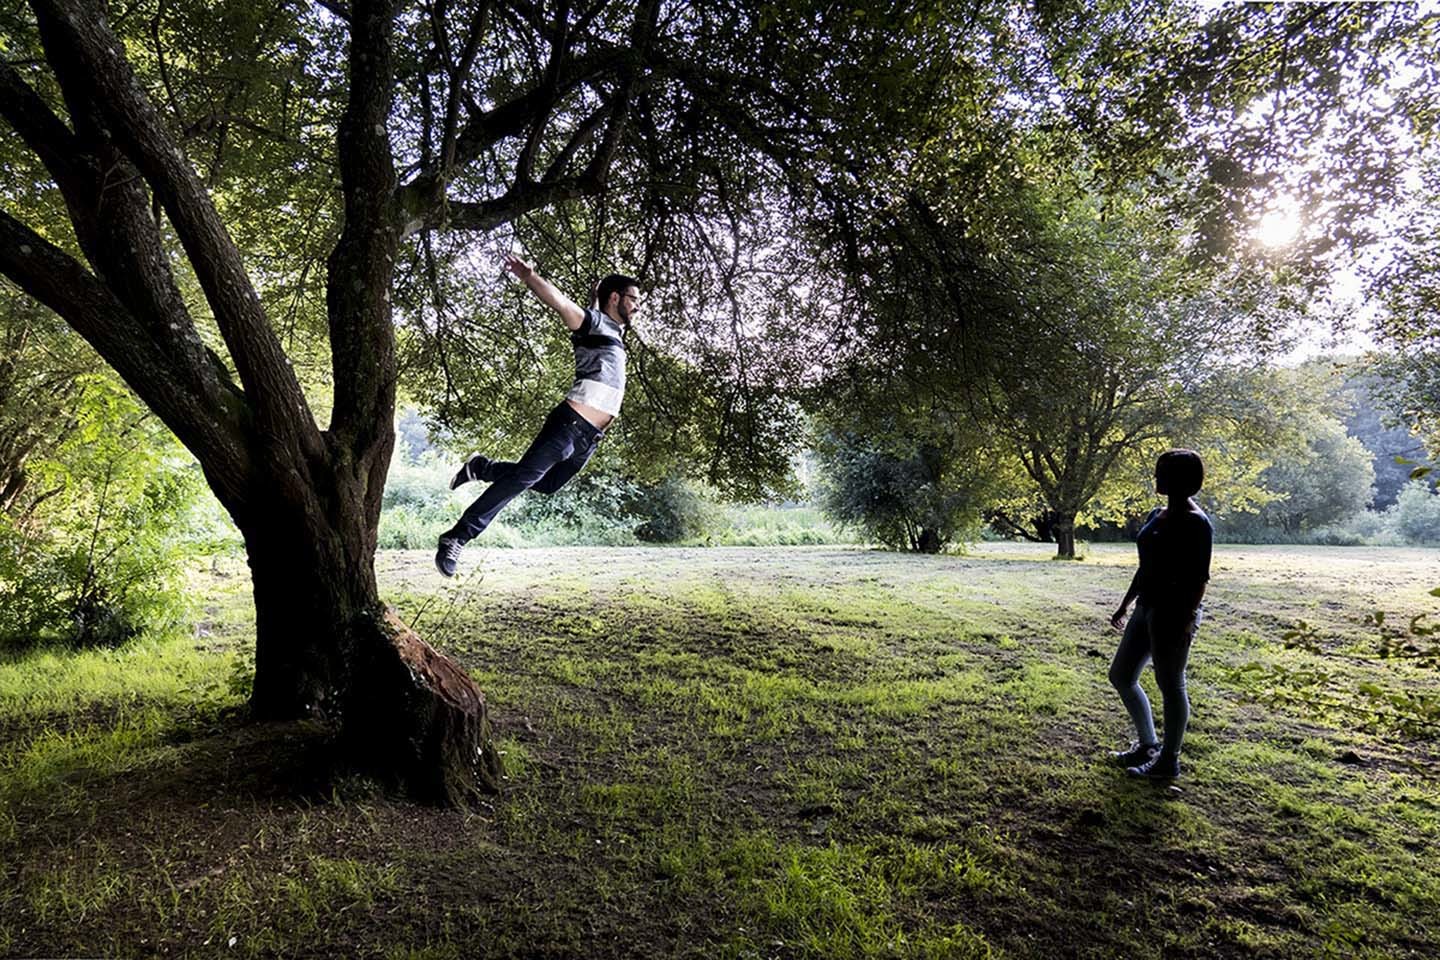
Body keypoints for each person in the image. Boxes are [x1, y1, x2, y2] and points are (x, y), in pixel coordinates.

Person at [435, 254, 639, 577]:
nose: (637, 306)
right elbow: (560, 303)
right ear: (616, 298)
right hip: (569, 426)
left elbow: (597, 325)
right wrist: (529, 276)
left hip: (590, 438)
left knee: (547, 484)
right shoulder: (593, 323)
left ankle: (481, 467)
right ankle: (456, 537)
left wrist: (596, 300)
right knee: (521, 480)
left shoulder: (612, 331)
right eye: (633, 299)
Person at [1107, 448, 1213, 780]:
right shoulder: (1157, 514)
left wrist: (1186, 620)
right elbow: (1145, 568)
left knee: (1171, 684)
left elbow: (1200, 578)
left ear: (1183, 479)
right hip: (1146, 606)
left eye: (1163, 472)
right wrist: (1126, 604)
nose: (1157, 477)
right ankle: (1148, 745)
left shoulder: (1196, 523)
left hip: (1173, 612)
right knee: (1121, 675)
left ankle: (1169, 760)